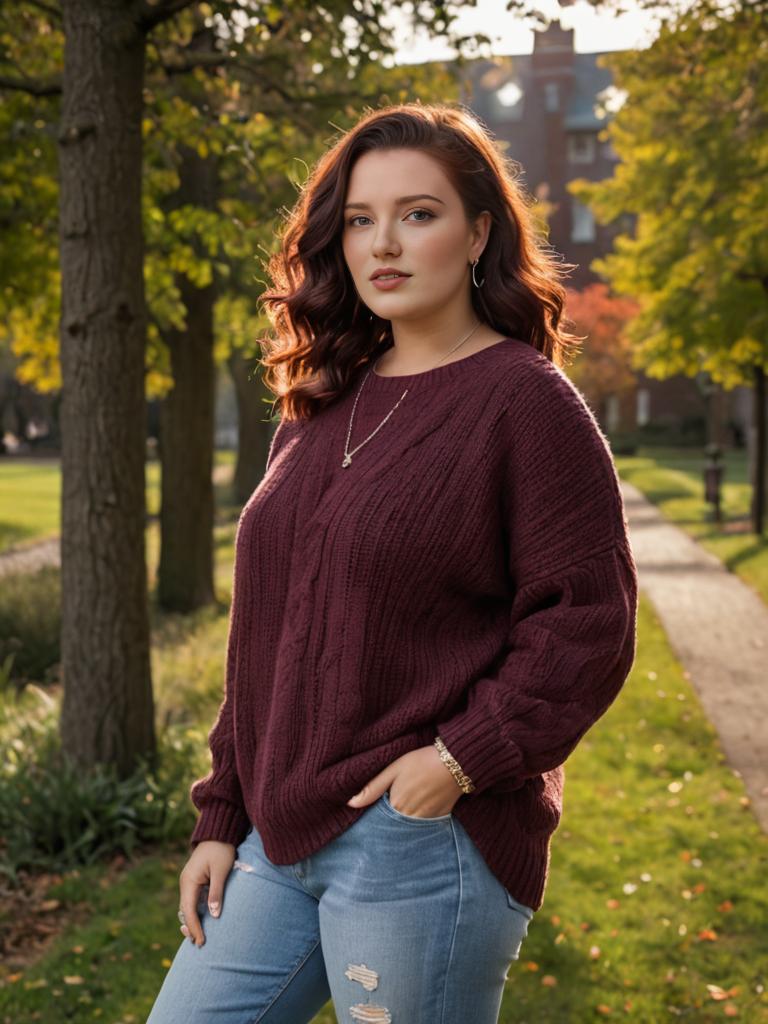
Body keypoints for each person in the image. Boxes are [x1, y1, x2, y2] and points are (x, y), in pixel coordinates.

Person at [147, 101, 638, 1024]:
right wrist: (223, 815)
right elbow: (266, 635)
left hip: (419, 841)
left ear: (480, 231)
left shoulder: (526, 405)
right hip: (277, 838)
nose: (385, 245)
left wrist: (454, 764)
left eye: (419, 214)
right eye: (362, 221)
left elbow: (588, 625)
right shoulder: (320, 404)